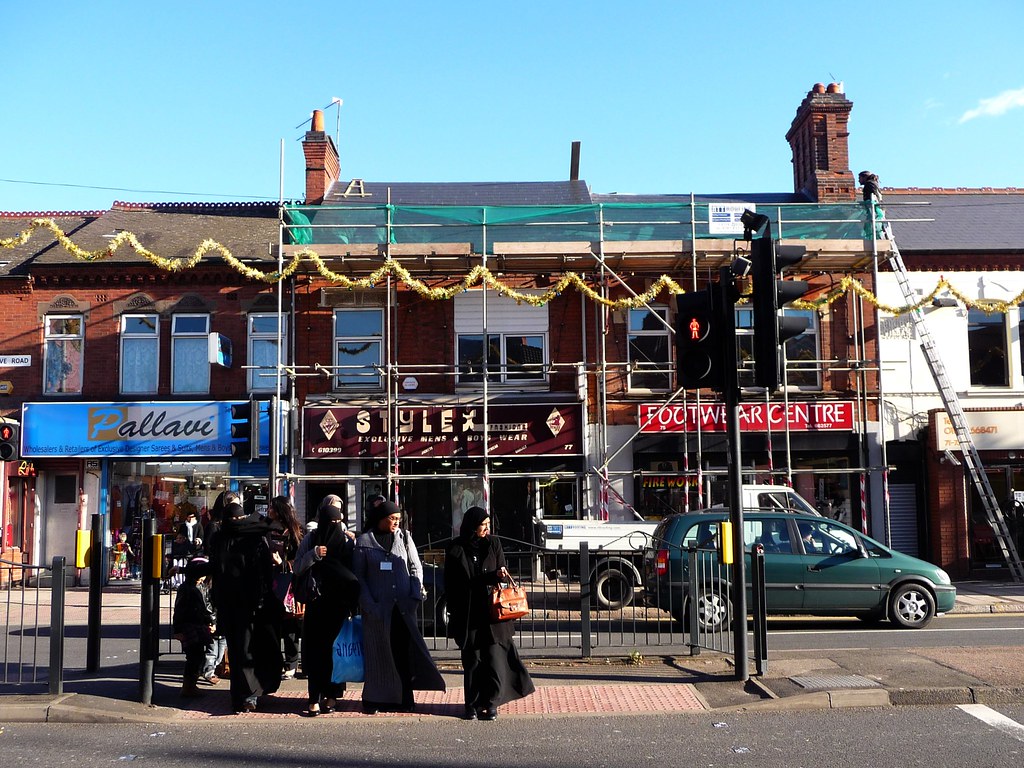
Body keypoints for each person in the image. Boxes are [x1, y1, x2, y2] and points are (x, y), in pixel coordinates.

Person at [352, 500, 445, 714]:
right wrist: (368, 604)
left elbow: (415, 567)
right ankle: (376, 699)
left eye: (398, 519)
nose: (395, 523)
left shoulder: (404, 537)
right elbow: (360, 577)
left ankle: (405, 697)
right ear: (380, 519)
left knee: (402, 652)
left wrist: (414, 594)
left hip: (403, 607)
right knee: (379, 653)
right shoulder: (364, 542)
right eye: (391, 519)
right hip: (377, 609)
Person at [445, 506, 535, 721]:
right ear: (471, 526)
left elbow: (501, 569)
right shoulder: (456, 548)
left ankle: (491, 704)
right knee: (473, 660)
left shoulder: (493, 543)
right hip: (469, 613)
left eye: (487, 525)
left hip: (494, 613)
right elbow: (454, 583)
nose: (486, 529)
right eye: (482, 525)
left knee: (494, 659)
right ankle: (472, 705)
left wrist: (500, 574)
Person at [211, 495, 283, 713]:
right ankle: (245, 695)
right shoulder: (229, 538)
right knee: (240, 650)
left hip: (249, 604)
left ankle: (249, 694)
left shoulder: (244, 537)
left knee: (247, 649)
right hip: (236, 604)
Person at [292, 494, 360, 716]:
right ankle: (314, 697)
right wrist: (314, 555)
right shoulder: (311, 539)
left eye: (337, 522)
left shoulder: (347, 542)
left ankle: (332, 696)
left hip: (338, 605)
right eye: (329, 522)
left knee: (336, 652)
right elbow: (297, 567)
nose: (333, 526)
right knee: (315, 652)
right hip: (317, 602)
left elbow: (354, 573)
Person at [268, 495, 305, 680]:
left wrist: (283, 563)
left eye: (272, 508)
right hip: (272, 583)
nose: (268, 512)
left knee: (296, 625)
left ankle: (297, 663)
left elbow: (301, 558)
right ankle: (286, 663)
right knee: (280, 626)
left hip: (292, 585)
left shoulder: (297, 532)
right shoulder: (266, 529)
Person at [172, 557, 216, 698]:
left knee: (198, 656)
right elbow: (179, 609)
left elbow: (206, 606)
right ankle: (188, 687)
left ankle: (191, 685)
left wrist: (210, 620)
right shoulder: (186, 588)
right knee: (194, 656)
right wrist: (177, 630)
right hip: (188, 625)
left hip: (198, 624)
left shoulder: (201, 586)